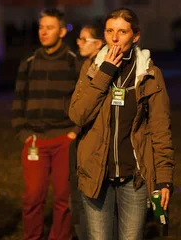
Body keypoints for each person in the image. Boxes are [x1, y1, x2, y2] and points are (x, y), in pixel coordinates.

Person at [68, 8, 175, 240]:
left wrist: (164, 178)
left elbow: (160, 129)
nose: (115, 38)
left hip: (134, 178)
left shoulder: (149, 74)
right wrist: (105, 73)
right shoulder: (92, 69)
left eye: (122, 32)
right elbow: (78, 115)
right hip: (97, 176)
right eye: (109, 31)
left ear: (135, 36)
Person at [12, 8, 80, 240]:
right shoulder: (29, 61)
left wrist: (74, 132)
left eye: (49, 27)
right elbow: (19, 98)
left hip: (64, 139)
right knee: (32, 196)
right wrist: (22, 131)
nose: (43, 32)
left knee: (63, 197)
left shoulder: (73, 62)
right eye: (41, 27)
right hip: (35, 140)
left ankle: (59, 237)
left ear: (61, 31)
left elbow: (84, 100)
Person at [71, 23, 104, 239]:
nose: (80, 43)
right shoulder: (86, 64)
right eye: (79, 40)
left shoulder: (103, 66)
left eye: (84, 39)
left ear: (99, 43)